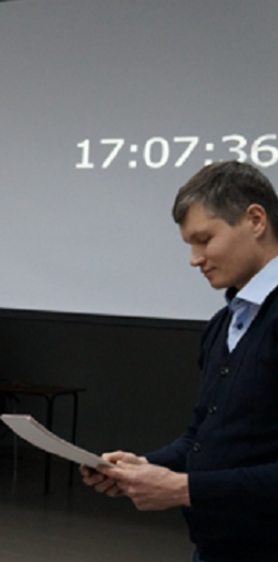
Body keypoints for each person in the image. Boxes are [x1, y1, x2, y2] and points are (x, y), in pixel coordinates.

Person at [80, 161, 278, 561]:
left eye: (204, 239)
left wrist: (182, 488)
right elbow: (201, 439)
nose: (194, 258)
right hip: (215, 547)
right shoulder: (222, 325)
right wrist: (143, 466)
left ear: (256, 220)